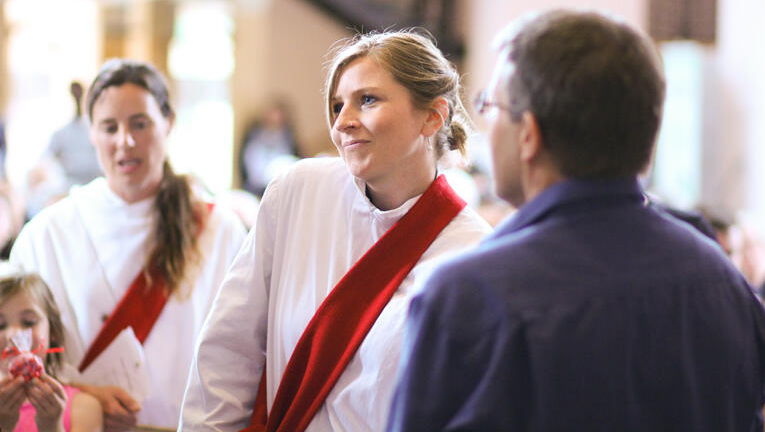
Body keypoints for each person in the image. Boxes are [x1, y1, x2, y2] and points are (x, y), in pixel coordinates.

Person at [386, 10, 765, 431]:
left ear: (529, 134)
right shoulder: (723, 283)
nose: (484, 123)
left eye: (488, 106)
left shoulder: (467, 298)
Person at [178, 30, 492, 432]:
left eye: (368, 100)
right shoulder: (300, 192)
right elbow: (227, 351)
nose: (343, 122)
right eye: (337, 105)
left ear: (433, 115)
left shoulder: (473, 253)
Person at [10, 60, 247, 431]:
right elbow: (16, 349)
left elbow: (242, 351)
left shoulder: (219, 231)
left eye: (140, 123)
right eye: (109, 127)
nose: (125, 141)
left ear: (168, 123)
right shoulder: (47, 234)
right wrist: (81, 393)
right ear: (91, 132)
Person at [0, 265, 103, 432]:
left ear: (53, 330)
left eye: (29, 322)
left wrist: (52, 425)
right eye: (0, 325)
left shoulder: (82, 406)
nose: (14, 334)